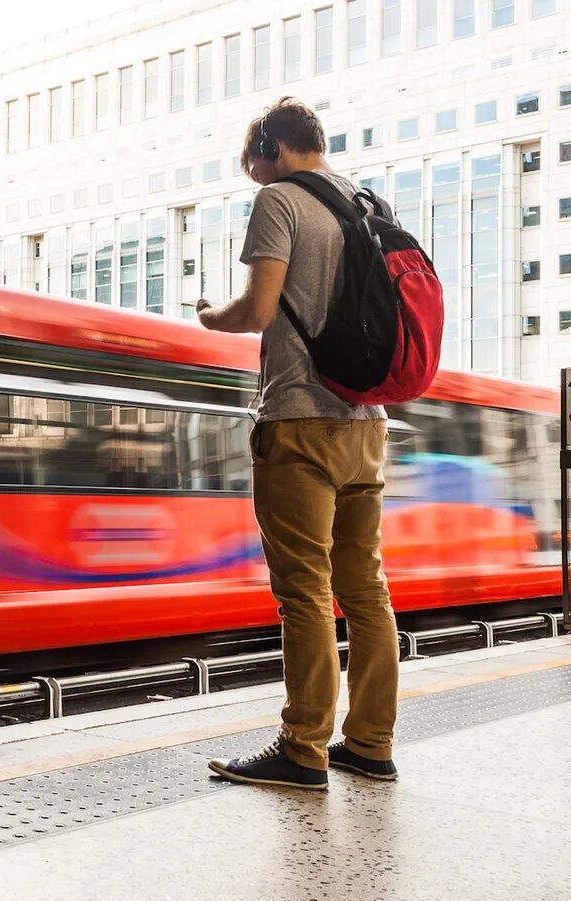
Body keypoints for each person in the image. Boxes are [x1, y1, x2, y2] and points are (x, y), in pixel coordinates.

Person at [195, 97, 400, 790]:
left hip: (299, 420)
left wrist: (208, 317)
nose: (254, 179)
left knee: (305, 592)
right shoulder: (366, 202)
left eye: (253, 166)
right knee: (366, 591)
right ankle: (371, 742)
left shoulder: (281, 200)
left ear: (272, 148)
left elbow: (256, 310)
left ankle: (303, 747)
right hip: (367, 424)